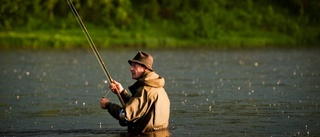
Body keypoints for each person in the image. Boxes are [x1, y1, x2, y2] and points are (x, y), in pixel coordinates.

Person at [100, 51, 170, 134]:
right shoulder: (159, 88)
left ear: (145, 68)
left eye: (135, 66)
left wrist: (108, 105)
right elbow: (139, 108)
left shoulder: (145, 90)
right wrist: (122, 92)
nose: (131, 68)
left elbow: (125, 115)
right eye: (131, 66)